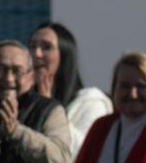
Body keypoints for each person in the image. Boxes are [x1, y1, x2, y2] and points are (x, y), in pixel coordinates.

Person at [29, 21, 113, 155]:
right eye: (32, 46)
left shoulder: (91, 102)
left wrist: (48, 108)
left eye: (46, 47)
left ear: (65, 55)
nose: (36, 54)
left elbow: (81, 151)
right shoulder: (23, 99)